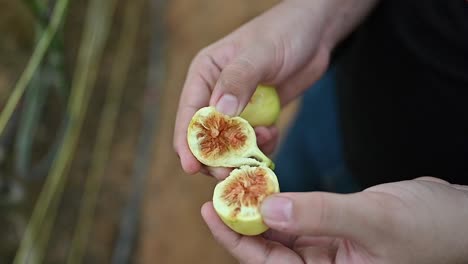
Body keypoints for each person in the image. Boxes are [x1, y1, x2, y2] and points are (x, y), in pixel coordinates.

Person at [173, 0, 468, 262]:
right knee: (288, 176)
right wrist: (322, 11)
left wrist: (459, 230)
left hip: (415, 194)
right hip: (340, 95)